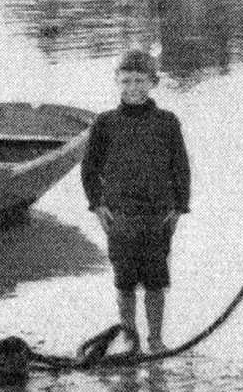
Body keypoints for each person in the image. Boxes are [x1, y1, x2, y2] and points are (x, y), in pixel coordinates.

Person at [81, 51, 191, 355]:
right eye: (126, 80)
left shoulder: (167, 122)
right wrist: (97, 204)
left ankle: (155, 338)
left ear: (153, 82)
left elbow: (180, 166)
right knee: (124, 279)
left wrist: (180, 206)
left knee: (156, 279)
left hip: (159, 214)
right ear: (117, 81)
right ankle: (130, 339)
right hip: (120, 215)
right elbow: (89, 169)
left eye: (140, 80)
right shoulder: (104, 123)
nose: (132, 87)